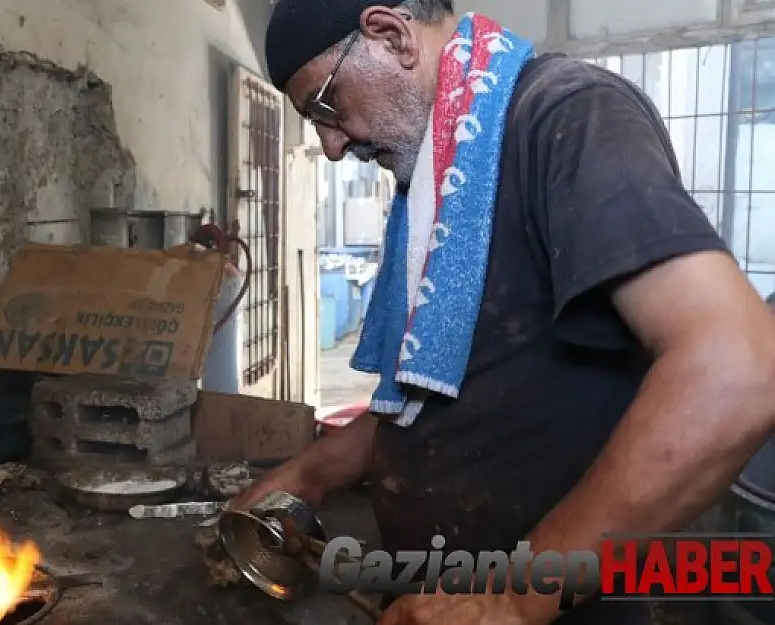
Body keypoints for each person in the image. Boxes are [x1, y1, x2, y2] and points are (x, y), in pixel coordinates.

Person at [231, 1, 775, 624]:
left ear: (391, 34)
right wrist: (311, 473)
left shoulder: (567, 114)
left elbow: (738, 366)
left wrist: (513, 598)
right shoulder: (438, 185)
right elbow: (445, 399)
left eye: (325, 105)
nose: (330, 145)